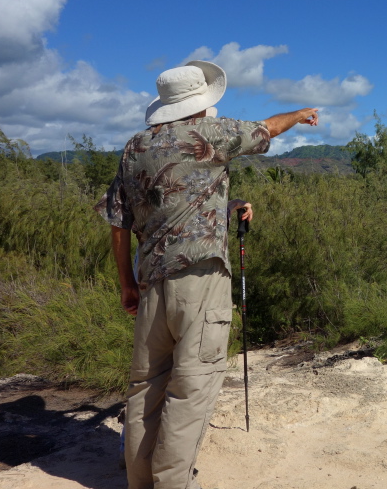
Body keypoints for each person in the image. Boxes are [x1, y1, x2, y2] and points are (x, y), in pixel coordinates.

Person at [95, 60, 317, 489]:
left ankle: (141, 482)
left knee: (146, 387)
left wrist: (126, 283)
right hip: (201, 281)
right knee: (191, 390)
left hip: (151, 282)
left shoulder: (134, 148)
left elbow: (120, 222)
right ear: (200, 104)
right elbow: (267, 129)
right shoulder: (209, 135)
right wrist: (299, 114)